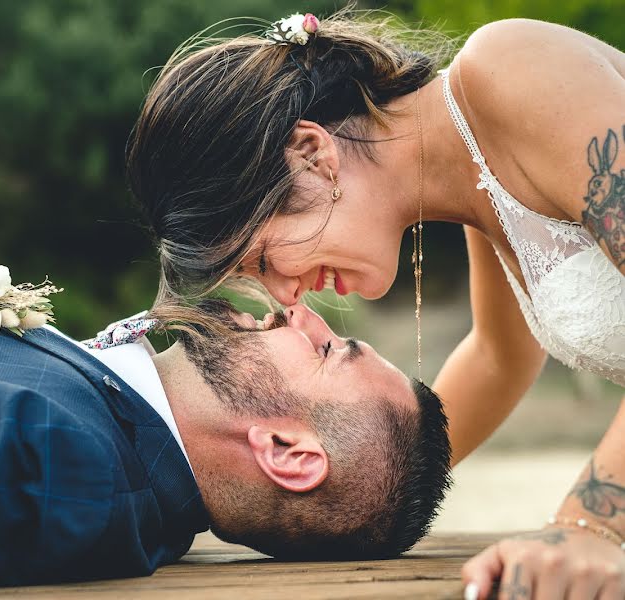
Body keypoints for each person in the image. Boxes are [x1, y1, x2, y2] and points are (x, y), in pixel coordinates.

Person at [126, 9, 625, 599]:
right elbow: (499, 358)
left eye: (261, 260)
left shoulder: (511, 67)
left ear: (310, 155)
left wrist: (592, 525)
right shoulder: (478, 182)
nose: (286, 297)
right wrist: (354, 495)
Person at [0, 198, 451, 596]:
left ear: (287, 452)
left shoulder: (62, 457)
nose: (302, 313)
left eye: (327, 349)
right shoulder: (96, 430)